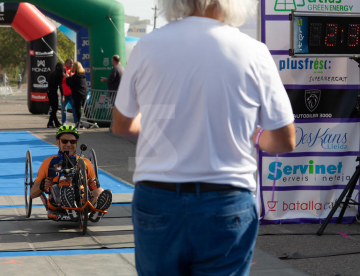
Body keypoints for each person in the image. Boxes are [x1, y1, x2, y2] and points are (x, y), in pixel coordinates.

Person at [112, 0, 296, 275]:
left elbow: (122, 124)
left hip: (158, 197)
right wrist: (257, 137)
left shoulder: (147, 46)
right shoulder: (253, 51)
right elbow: (284, 139)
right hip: (225, 200)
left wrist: (155, 123)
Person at [31, 125, 113, 222]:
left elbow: (93, 187)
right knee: (63, 188)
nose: (69, 144)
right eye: (65, 141)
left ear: (76, 143)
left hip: (82, 197)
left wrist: (95, 185)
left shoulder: (85, 162)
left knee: (100, 190)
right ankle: (70, 205)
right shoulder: (48, 162)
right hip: (57, 200)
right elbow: (32, 194)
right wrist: (42, 186)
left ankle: (97, 210)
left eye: (72, 142)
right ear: (58, 142)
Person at [66, 62, 88, 129]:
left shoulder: (75, 77)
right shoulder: (83, 75)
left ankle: (79, 123)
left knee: (78, 109)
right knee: (85, 108)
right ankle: (91, 121)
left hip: (77, 94)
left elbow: (69, 84)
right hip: (84, 93)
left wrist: (68, 77)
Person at [47, 62, 64, 128]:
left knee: (53, 108)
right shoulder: (59, 75)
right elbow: (60, 86)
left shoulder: (51, 74)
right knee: (55, 108)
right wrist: (63, 95)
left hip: (49, 91)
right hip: (53, 92)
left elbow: (50, 84)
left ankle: (56, 123)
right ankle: (50, 123)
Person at [61, 59, 78, 125]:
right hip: (64, 93)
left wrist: (69, 76)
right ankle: (64, 122)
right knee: (64, 109)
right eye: (70, 63)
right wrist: (65, 77)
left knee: (74, 108)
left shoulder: (73, 70)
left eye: (72, 63)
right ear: (66, 63)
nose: (71, 64)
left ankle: (76, 122)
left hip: (72, 93)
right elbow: (61, 81)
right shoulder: (62, 70)